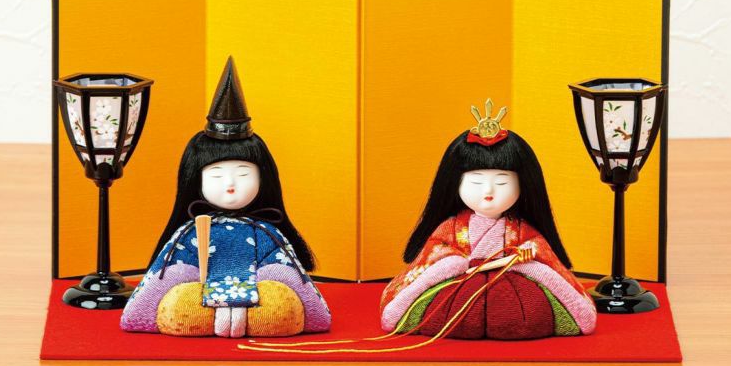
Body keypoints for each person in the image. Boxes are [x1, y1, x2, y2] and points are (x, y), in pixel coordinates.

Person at [121, 57, 331, 338]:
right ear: (195, 181)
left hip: (259, 309)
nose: (230, 184)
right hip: (199, 309)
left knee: (279, 291)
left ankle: (240, 319)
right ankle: (221, 319)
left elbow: (287, 277)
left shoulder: (266, 233)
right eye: (217, 176)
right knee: (178, 282)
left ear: (263, 179)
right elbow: (166, 279)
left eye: (243, 174)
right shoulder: (191, 233)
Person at [380, 99, 596, 340]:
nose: (489, 191)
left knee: (530, 301)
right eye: (476, 181)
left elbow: (540, 253)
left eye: (502, 181)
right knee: (436, 293)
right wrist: (454, 263)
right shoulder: (452, 229)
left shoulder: (520, 230)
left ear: (524, 185)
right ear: (455, 183)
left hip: (511, 290)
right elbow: (434, 255)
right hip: (459, 287)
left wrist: (525, 256)